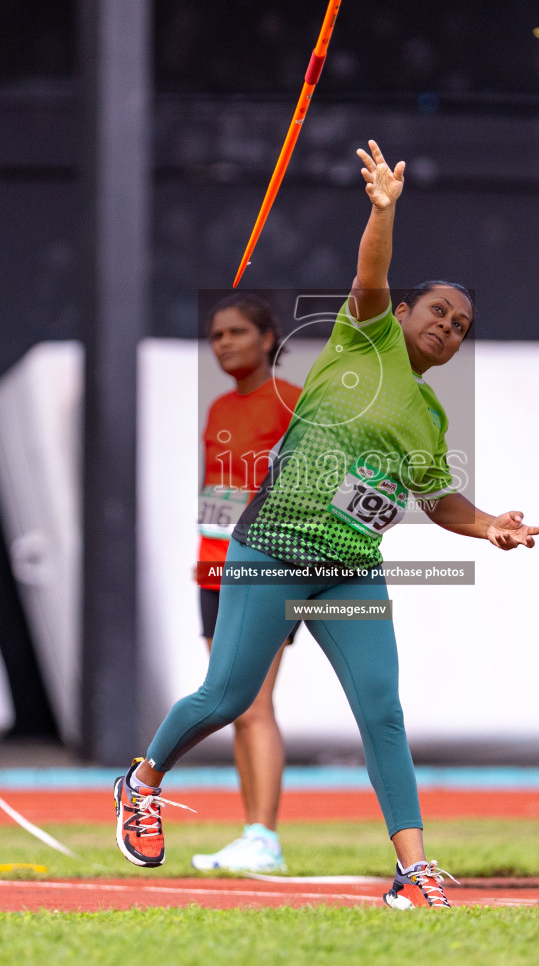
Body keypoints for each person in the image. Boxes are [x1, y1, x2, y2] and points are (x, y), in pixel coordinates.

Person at [112, 141, 539, 909]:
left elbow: (441, 502)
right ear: (404, 313)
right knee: (226, 698)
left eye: (462, 325)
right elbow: (371, 272)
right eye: (438, 310)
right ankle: (141, 785)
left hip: (350, 571)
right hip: (272, 550)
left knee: (382, 710)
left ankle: (414, 873)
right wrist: (383, 211)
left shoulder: (431, 417)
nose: (448, 326)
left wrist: (490, 528)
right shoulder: (366, 335)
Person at [191, 294, 303, 873]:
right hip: (213, 570)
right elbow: (217, 493)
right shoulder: (217, 409)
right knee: (232, 704)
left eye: (237, 332)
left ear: (268, 338)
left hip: (266, 568)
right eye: (216, 336)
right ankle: (252, 834)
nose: (225, 343)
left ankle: (266, 836)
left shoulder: (292, 402)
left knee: (255, 703)